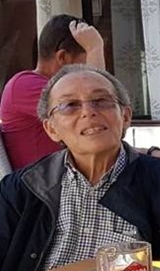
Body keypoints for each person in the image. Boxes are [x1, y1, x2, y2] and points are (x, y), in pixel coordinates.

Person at [0, 65, 160, 271]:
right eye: (70, 105)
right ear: (51, 129)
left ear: (125, 116)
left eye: (101, 101)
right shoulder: (22, 188)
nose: (88, 112)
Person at [0, 15, 106, 170]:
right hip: (40, 184)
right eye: (86, 63)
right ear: (62, 57)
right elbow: (97, 107)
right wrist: (94, 48)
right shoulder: (25, 86)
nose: (86, 73)